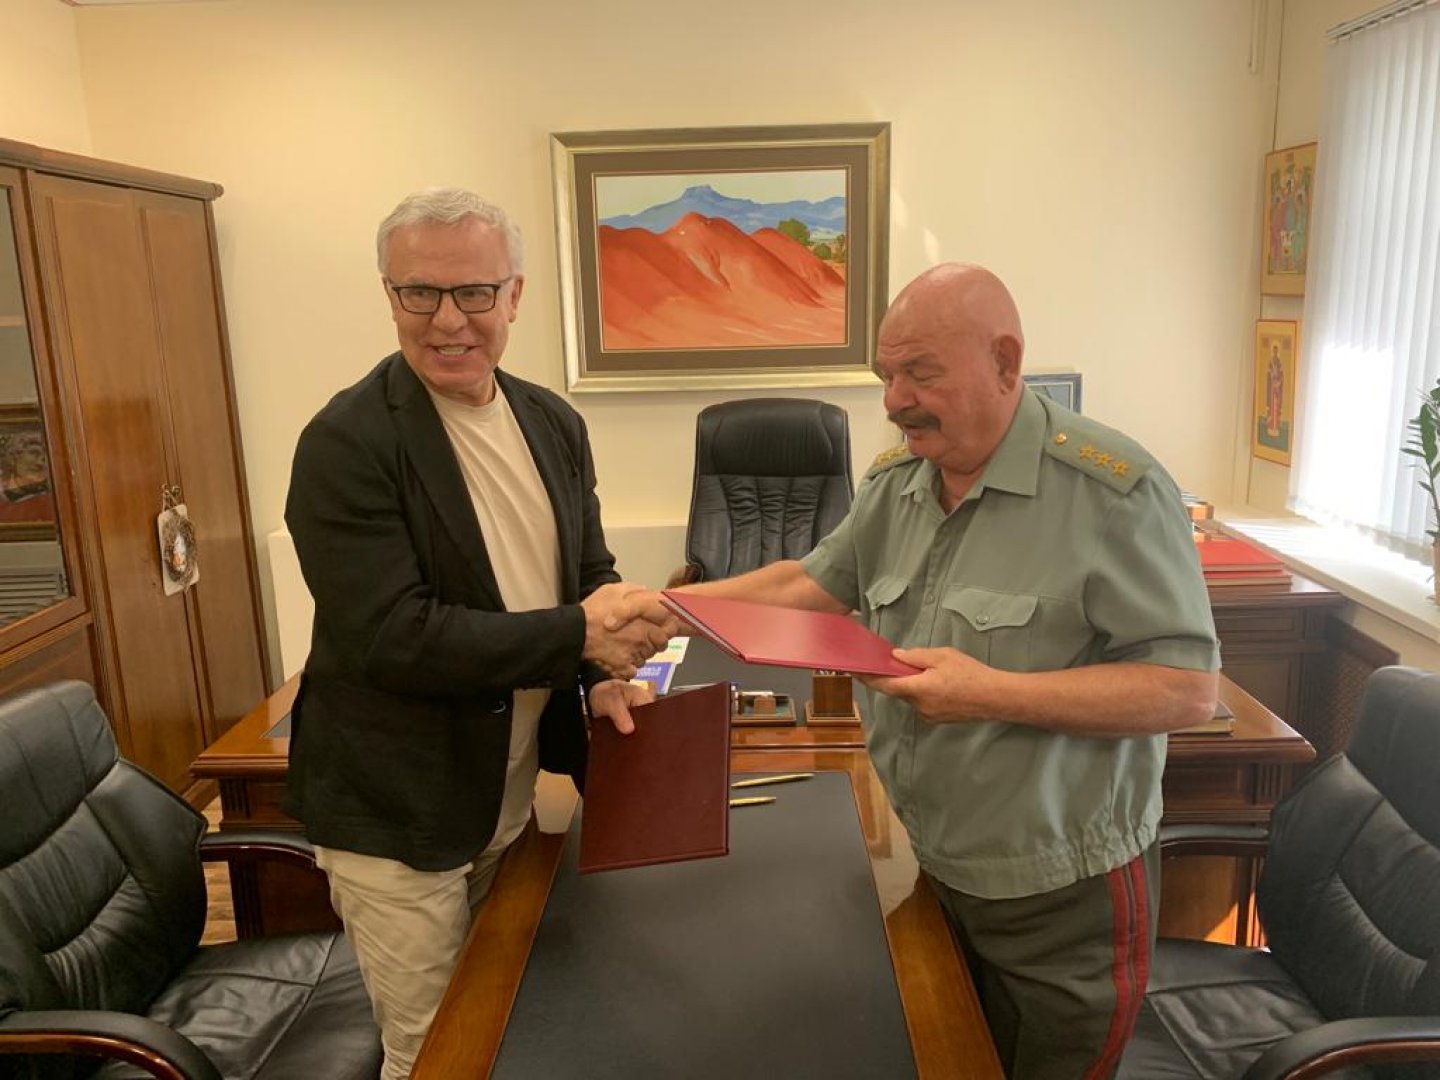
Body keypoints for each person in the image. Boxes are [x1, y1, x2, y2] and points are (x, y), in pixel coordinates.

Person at [670, 263, 1218, 1078]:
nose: (895, 401)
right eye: (886, 376)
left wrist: (989, 693)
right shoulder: (898, 482)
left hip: (1058, 896)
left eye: (921, 374)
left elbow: (1187, 690)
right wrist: (664, 608)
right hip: (937, 863)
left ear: (1005, 361)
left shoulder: (1113, 493)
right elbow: (807, 585)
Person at [284, 187, 675, 1080]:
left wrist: (602, 673)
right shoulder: (346, 442)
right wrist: (581, 638)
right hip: (398, 814)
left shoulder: (551, 421)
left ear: (515, 295)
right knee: (436, 1056)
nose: (447, 319)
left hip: (506, 795)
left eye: (473, 292)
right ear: (389, 295)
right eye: (419, 292)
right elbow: (397, 637)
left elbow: (587, 573)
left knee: (509, 1028)